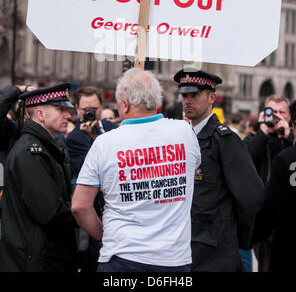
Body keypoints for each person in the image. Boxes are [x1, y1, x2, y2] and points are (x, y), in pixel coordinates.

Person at [71, 68, 201, 272]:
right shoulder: (185, 132)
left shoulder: (104, 143)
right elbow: (192, 172)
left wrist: (103, 235)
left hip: (121, 256)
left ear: (124, 104)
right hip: (173, 259)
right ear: (156, 101)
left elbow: (79, 205)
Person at [173, 67, 264, 272]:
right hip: (185, 247)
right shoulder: (183, 138)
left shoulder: (224, 139)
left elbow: (251, 196)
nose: (187, 100)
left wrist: (234, 235)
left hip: (215, 252)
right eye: (184, 95)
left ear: (211, 97)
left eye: (194, 95)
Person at [0, 83, 78, 272]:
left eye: (67, 109)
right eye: (60, 109)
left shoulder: (46, 147)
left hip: (45, 256)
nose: (68, 115)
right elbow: (51, 212)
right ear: (41, 115)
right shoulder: (30, 152)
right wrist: (86, 216)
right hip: (35, 260)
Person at [66, 86, 118, 271]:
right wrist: (93, 137)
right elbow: (92, 172)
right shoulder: (75, 138)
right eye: (85, 109)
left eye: (94, 109)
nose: (90, 113)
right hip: (96, 209)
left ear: (101, 107)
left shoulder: (113, 128)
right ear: (77, 110)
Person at [244, 94, 294, 271]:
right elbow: (245, 158)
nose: (278, 116)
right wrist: (263, 130)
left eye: (282, 112)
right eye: (273, 112)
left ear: (290, 116)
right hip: (265, 222)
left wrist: (288, 137)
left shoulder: (291, 140)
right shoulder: (257, 138)